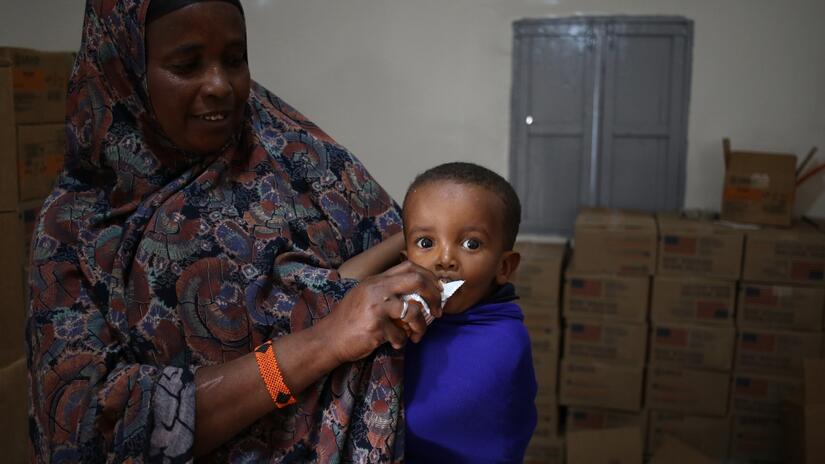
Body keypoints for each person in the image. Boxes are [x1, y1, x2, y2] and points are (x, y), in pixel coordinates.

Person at [26, 0, 442, 462]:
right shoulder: (77, 230)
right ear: (124, 68)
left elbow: (429, 273)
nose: (220, 85)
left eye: (234, 58)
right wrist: (322, 342)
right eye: (187, 65)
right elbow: (88, 432)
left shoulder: (302, 161)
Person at [401, 162, 538, 462]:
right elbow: (343, 285)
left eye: (470, 244)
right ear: (405, 260)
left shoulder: (503, 342)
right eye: (426, 242)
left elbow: (420, 422)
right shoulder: (412, 305)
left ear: (504, 267)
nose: (445, 259)